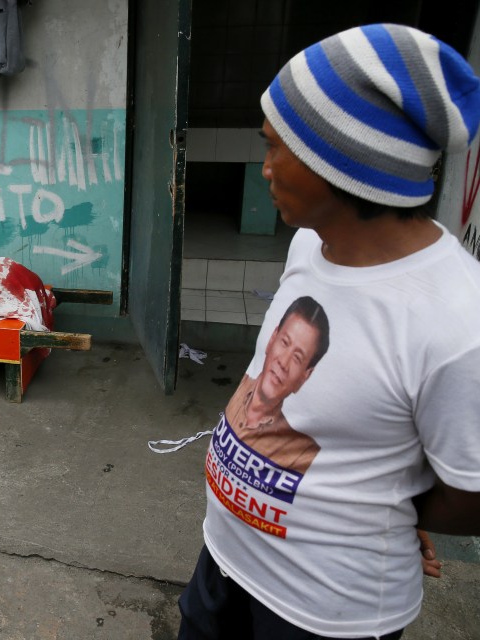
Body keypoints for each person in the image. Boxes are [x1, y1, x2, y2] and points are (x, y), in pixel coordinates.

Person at [179, 24, 480, 640]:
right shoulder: (311, 246)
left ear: (340, 161)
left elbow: (472, 492)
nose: (262, 168)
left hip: (321, 614)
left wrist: (388, 506)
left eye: (274, 147)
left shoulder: (456, 322)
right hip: (226, 564)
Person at [224, 296, 328, 475]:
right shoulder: (242, 390)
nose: (283, 362)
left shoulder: (302, 452)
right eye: (285, 342)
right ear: (272, 339)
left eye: (297, 358)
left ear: (305, 376)